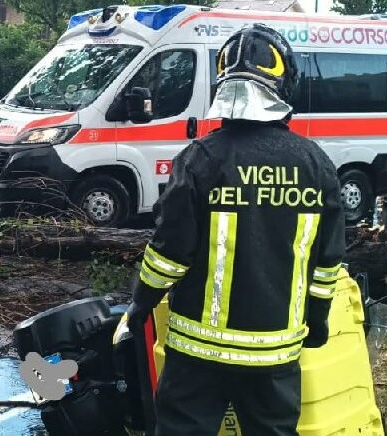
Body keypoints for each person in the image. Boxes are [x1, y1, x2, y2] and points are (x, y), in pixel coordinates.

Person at [126, 24, 345, 435]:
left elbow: (168, 255)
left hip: (198, 354)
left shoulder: (199, 160)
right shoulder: (317, 166)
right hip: (275, 354)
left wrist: (140, 304)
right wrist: (317, 321)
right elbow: (326, 265)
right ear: (285, 85)